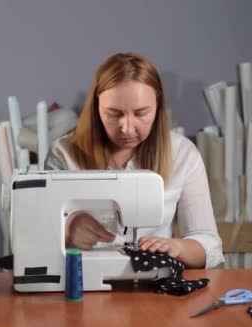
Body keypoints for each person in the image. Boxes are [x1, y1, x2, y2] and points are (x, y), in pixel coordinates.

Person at [44, 52, 224, 269]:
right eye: (114, 114)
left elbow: (209, 246)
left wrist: (178, 247)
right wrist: (67, 231)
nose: (127, 128)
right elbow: (39, 239)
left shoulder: (183, 154)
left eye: (141, 113)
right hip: (83, 282)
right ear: (96, 108)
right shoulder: (63, 154)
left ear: (157, 106)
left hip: (153, 286)